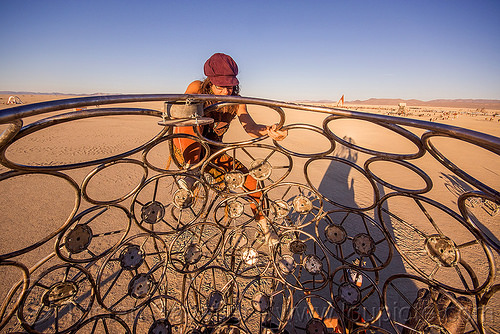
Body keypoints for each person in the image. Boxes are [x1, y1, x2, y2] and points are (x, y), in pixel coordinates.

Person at [173, 53, 287, 244]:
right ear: (210, 82)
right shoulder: (197, 88)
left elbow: (249, 126)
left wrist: (268, 130)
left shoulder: (236, 100)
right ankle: (191, 172)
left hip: (213, 152)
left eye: (230, 86)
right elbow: (182, 118)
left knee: (252, 181)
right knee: (191, 116)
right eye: (221, 87)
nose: (226, 92)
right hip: (188, 147)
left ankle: (265, 227)